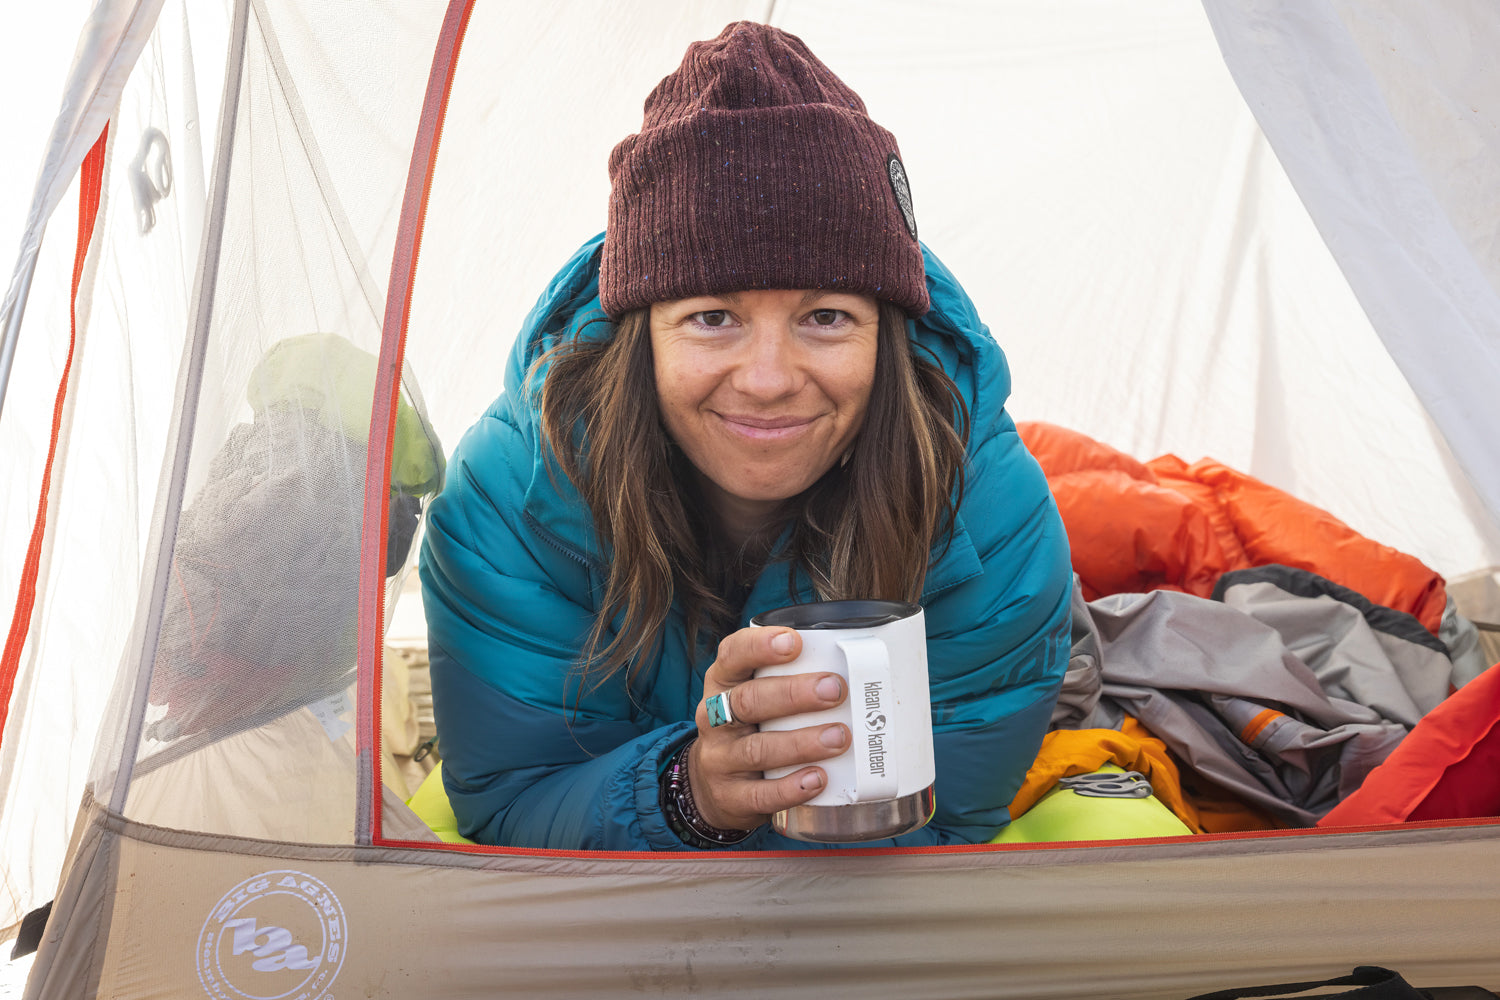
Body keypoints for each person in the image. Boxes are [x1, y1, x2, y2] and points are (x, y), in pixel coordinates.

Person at [419, 21, 1072, 850]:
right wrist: (688, 793)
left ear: (887, 335)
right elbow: (511, 799)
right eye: (712, 317)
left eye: (826, 316)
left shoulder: (983, 508)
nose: (768, 379)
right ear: (642, 335)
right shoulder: (516, 493)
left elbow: (951, 819)